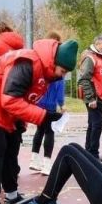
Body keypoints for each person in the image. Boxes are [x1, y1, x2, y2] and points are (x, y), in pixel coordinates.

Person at [0, 37, 78, 204]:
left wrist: (41, 118)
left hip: (2, 104)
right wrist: (43, 116)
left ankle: (12, 196)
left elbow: (25, 98)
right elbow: (10, 99)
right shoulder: (27, 63)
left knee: (12, 146)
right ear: (54, 62)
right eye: (62, 71)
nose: (62, 76)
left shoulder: (44, 72)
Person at [31, 33, 67, 176]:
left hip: (38, 103)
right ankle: (46, 164)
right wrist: (62, 104)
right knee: (49, 132)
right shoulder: (58, 64)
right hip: (50, 104)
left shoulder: (41, 60)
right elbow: (59, 86)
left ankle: (34, 159)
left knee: (40, 131)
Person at [78, 34, 102, 159]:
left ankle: (88, 153)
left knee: (93, 125)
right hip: (94, 97)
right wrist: (91, 98)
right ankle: (93, 154)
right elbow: (84, 79)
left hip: (100, 97)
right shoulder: (90, 58)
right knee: (96, 126)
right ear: (97, 44)